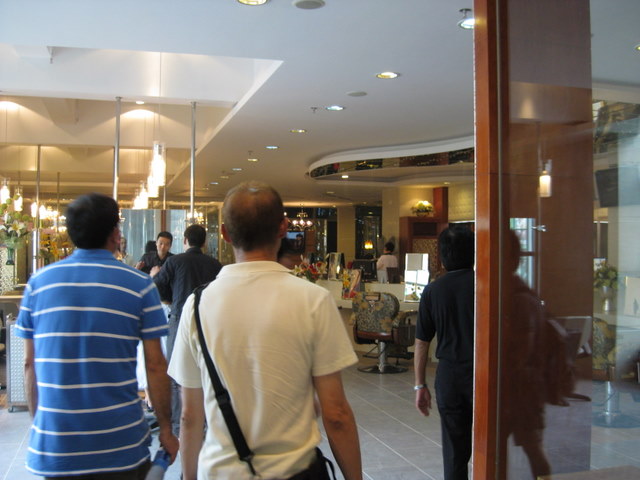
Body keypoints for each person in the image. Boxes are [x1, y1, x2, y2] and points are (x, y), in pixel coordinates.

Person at [168, 181, 362, 480]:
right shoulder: (313, 300)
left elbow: (190, 416)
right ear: (283, 228)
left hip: (222, 472)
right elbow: (336, 414)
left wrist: (190, 475)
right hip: (296, 470)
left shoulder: (197, 304)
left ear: (224, 233)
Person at [15, 192, 178, 479]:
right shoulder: (140, 285)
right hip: (121, 446)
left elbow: (30, 364)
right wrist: (166, 429)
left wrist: (41, 426)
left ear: (70, 233)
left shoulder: (38, 284)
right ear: (115, 234)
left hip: (57, 447)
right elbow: (155, 366)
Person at [414, 226, 474, 480]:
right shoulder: (486, 286)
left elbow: (422, 343)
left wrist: (420, 385)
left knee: (454, 451)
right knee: (490, 443)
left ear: (441, 256)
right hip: (484, 373)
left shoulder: (433, 290)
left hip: (450, 375)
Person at [152, 223, 223, 434]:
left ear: (185, 241)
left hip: (179, 318)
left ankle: (178, 426)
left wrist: (169, 298)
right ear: (204, 242)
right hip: (207, 321)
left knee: (176, 373)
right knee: (206, 371)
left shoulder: (175, 261)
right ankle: (207, 424)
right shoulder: (215, 264)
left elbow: (157, 286)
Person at [501, 231, 551, 478]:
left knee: (531, 450)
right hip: (520, 388)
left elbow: (521, 351)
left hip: (518, 390)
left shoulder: (518, 299)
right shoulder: (516, 293)